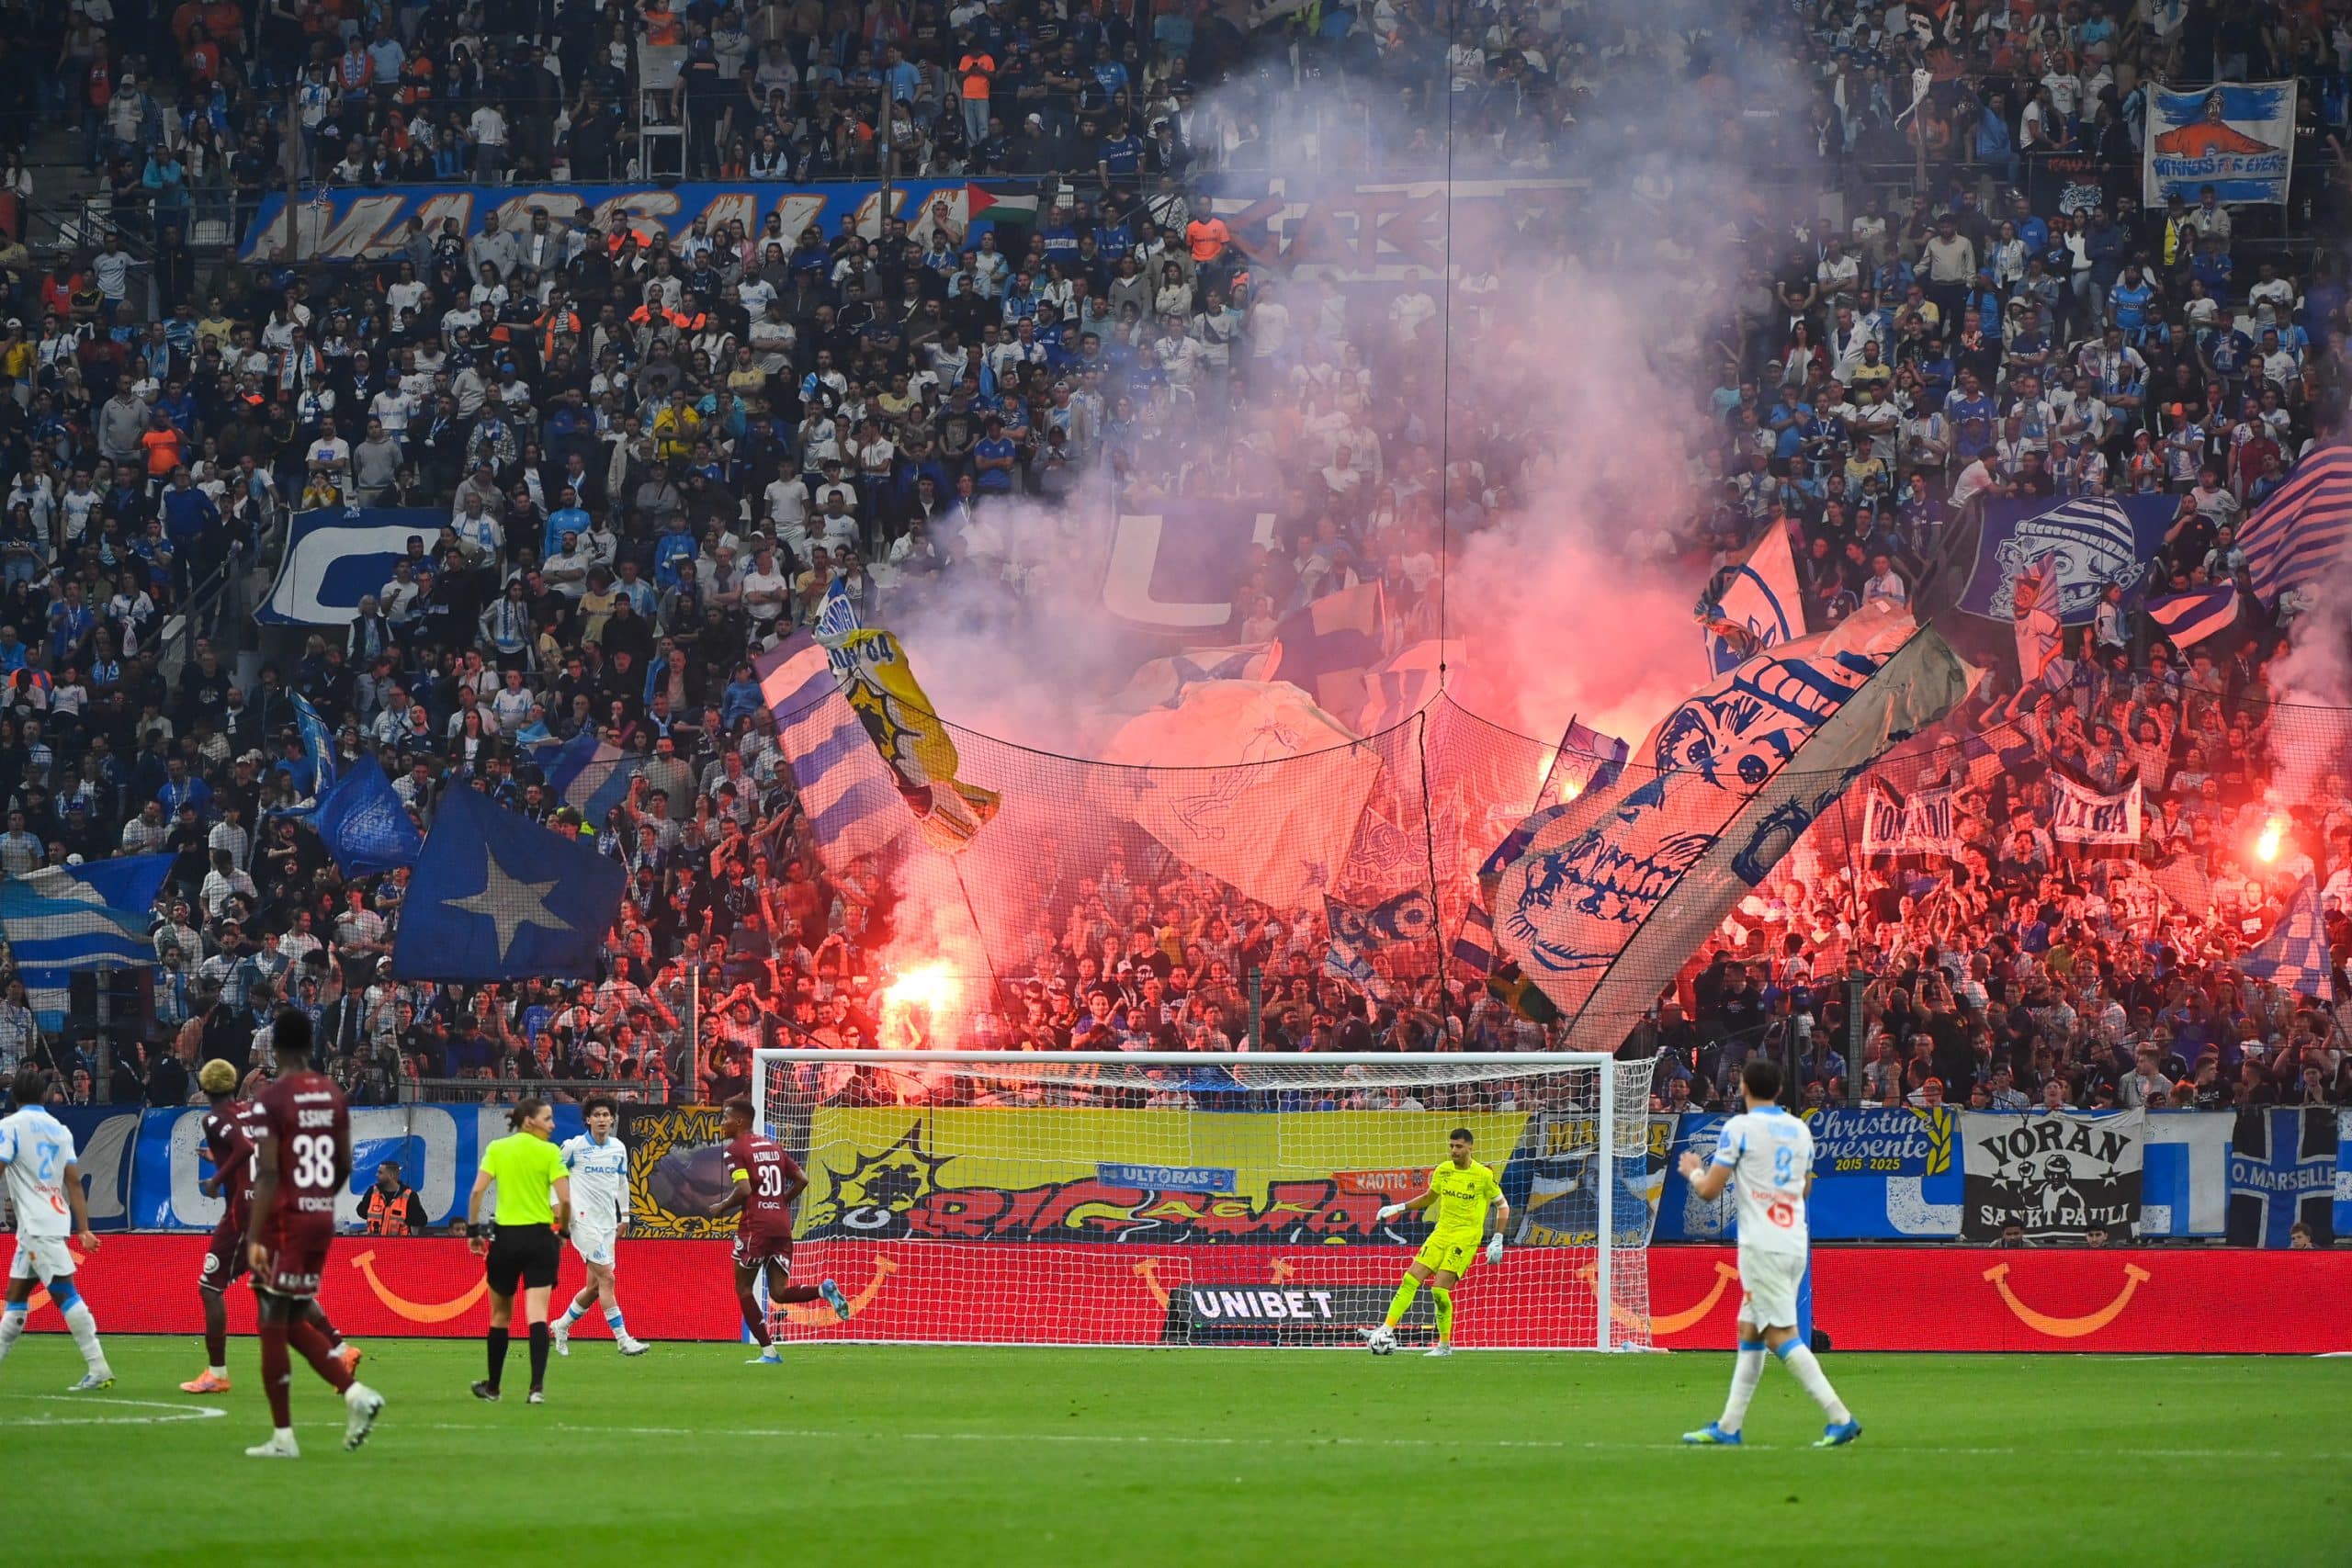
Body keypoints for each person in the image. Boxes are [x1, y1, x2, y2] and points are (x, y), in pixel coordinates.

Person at [1679, 1058, 1859, 1448]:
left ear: (1743, 1087)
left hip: (1763, 1244)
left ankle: (1839, 1416)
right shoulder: (1799, 1130)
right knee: (1751, 1329)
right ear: (1778, 1091)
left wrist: (1693, 1170)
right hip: (1794, 1240)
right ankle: (1728, 1427)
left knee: (1780, 1335)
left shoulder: (1739, 1128)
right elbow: (1806, 1190)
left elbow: (1709, 1191)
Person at [243, 1010, 384, 1457]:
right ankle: (355, 1394)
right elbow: (344, 1163)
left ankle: (284, 1436)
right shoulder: (332, 1093)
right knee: (293, 1313)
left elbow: (267, 1172)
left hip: (286, 1219)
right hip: (321, 1216)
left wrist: (255, 1236)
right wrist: (319, 1198)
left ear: (274, 1047)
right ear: (310, 1044)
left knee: (272, 1319)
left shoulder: (271, 1098)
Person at [184, 1057, 361, 1393]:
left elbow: (243, 1147)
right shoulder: (252, 1112)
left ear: (204, 1089)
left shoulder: (214, 1118)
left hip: (245, 1214)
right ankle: (341, 1349)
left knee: (210, 1287)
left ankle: (217, 1374)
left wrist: (216, 1179)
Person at [711, 1098, 848, 1365]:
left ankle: (769, 1353)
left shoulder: (735, 1150)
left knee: (743, 1288)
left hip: (756, 1227)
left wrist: (722, 1206)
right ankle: (823, 1290)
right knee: (779, 1292)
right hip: (782, 1224)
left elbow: (744, 1190)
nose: (722, 1124)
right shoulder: (773, 1146)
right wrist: (780, 1202)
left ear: (739, 1121)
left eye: (725, 1118)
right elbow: (803, 1179)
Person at [0, 1066, 112, 1390]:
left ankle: (99, 1366)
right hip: (50, 1220)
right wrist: (84, 1229)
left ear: (14, 1095)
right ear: (42, 1096)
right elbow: (74, 1183)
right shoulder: (60, 1129)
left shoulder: (10, 1126)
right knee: (16, 1299)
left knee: (65, 1292)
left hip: (36, 1225)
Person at [1362, 1127, 1509, 1358]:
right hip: (1441, 1234)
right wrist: (1398, 1208)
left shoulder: (1483, 1175)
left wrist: (1497, 1239)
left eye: (1458, 1146)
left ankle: (1444, 1346)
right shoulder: (1443, 1171)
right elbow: (1429, 1197)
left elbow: (1503, 1206)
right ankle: (1385, 1329)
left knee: (1439, 1291)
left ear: (1470, 1147)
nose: (1453, 1150)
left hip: (1465, 1238)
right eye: (1451, 1146)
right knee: (1410, 1279)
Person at [466, 1096, 572, 1402]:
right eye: (548, 1118)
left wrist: (474, 1232)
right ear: (530, 1121)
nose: (553, 1125)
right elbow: (565, 1201)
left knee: (500, 1316)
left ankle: (494, 1388)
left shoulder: (498, 1149)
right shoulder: (550, 1153)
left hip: (506, 1240)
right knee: (537, 1314)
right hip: (541, 1239)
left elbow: (476, 1192)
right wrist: (562, 1231)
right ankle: (536, 1388)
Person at [550, 1096, 649, 1357]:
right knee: (608, 1278)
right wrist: (556, 1209)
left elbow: (621, 1183)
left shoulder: (618, 1148)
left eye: (606, 1115)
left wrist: (625, 1217)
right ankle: (623, 1339)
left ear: (612, 1119)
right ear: (588, 1119)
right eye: (597, 1115)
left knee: (595, 1288)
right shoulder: (574, 1148)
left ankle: (561, 1325)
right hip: (582, 1221)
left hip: (607, 1224)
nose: (602, 1119)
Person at [358, 1160, 428, 1235]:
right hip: (375, 1244)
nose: (376, 1175)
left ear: (391, 1175)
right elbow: (361, 1211)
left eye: (380, 1173)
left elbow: (422, 1220)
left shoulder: (409, 1195)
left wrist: (404, 1217)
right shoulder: (372, 1191)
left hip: (399, 1245)